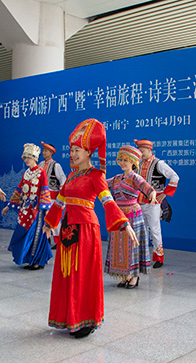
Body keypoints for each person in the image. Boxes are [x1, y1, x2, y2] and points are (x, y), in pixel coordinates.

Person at [42, 119, 137, 339]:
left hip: (85, 230)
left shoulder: (96, 176)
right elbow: (60, 202)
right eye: (72, 150)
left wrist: (123, 223)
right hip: (68, 230)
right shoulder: (72, 176)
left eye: (77, 150)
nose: (73, 154)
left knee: (83, 274)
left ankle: (85, 320)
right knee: (67, 274)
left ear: (88, 152)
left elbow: (108, 201)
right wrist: (49, 223)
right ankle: (69, 317)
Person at [105, 145, 156, 288]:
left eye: (125, 160)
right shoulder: (116, 178)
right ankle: (123, 275)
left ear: (133, 162)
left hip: (133, 215)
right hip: (118, 216)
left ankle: (134, 276)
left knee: (132, 246)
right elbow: (102, 184)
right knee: (119, 246)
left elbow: (149, 189)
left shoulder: (135, 178)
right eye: (120, 160)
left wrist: (152, 195)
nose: (122, 163)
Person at [3, 144, 53, 270]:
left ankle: (37, 261)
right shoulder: (26, 173)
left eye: (29, 157)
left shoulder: (41, 172)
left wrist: (46, 210)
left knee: (36, 234)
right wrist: (9, 206)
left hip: (37, 210)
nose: (26, 160)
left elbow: (45, 190)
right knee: (24, 233)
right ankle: (29, 259)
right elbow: (19, 190)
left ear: (35, 158)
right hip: (25, 209)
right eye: (25, 158)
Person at [134, 139, 180, 269]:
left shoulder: (158, 164)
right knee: (141, 230)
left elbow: (175, 176)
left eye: (142, 151)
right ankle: (142, 257)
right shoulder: (137, 163)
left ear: (149, 150)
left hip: (153, 203)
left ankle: (159, 257)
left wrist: (165, 193)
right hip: (138, 202)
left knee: (154, 230)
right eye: (139, 151)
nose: (140, 154)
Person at [38, 142, 66, 247]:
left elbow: (63, 180)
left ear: (51, 152)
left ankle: (57, 241)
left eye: (46, 151)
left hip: (52, 197)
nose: (44, 152)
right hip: (41, 197)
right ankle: (45, 239)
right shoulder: (40, 164)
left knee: (53, 219)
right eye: (43, 150)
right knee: (42, 218)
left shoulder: (56, 165)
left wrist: (61, 195)